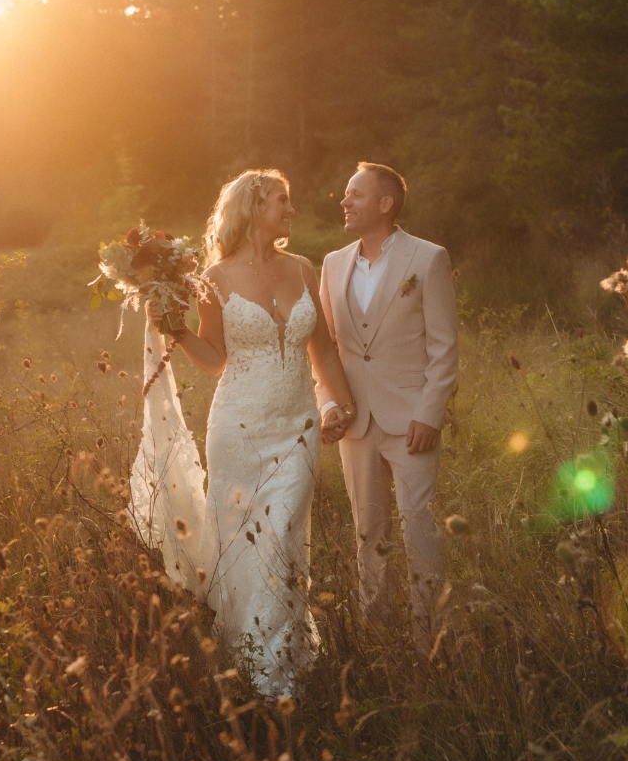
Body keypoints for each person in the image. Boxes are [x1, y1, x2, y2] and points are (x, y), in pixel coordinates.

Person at [139, 169, 356, 698]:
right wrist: (182, 331)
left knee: (283, 537)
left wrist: (341, 402)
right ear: (254, 207)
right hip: (237, 429)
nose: (291, 209)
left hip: (299, 428)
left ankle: (275, 665)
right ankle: (256, 666)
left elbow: (322, 348)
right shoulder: (213, 279)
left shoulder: (304, 269)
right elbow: (215, 361)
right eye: (283, 200)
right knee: (242, 546)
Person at [315, 162, 458, 647]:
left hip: (411, 419)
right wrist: (328, 404)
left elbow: (444, 347)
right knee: (367, 533)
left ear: (385, 203)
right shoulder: (333, 264)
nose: (344, 201)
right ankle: (377, 635)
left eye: (355, 194)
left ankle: (430, 636)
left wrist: (429, 413)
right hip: (355, 421)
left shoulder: (428, 258)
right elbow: (326, 350)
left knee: (420, 528)